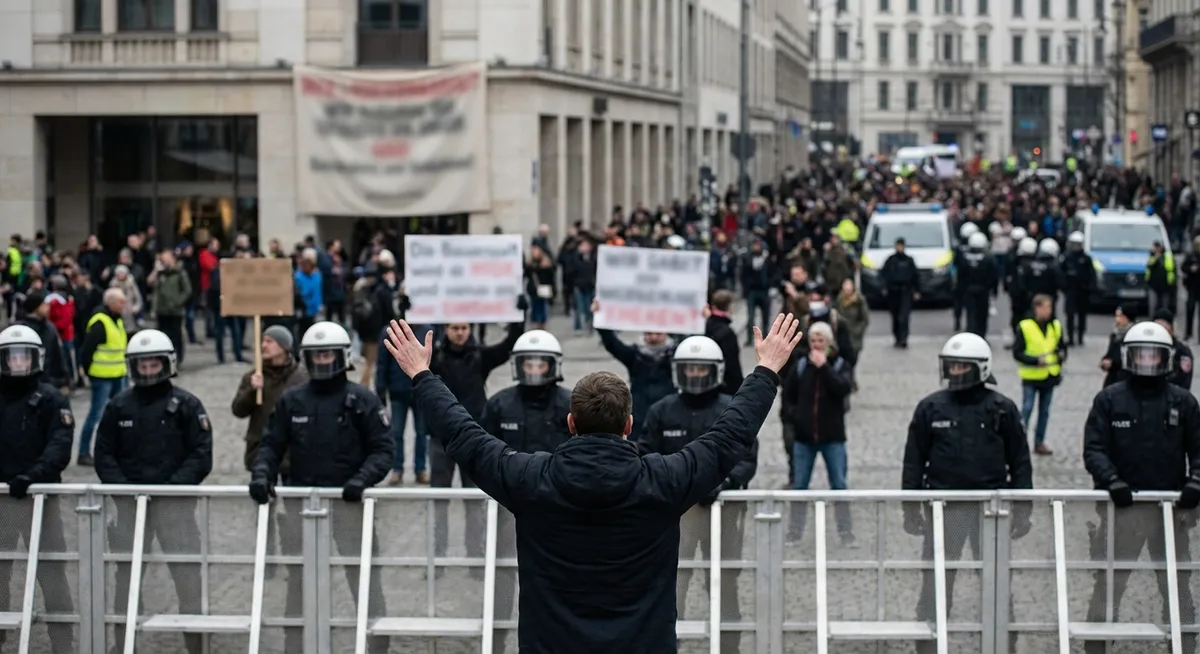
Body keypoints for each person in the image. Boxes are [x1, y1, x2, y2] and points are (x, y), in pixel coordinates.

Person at [385, 312, 801, 653]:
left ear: (570, 423)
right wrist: (766, 370)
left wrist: (422, 374)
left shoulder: (530, 479)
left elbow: (464, 436)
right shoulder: (664, 480)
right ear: (629, 425)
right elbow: (728, 438)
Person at [249, 321, 393, 654]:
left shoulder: (363, 399)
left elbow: (384, 450)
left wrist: (362, 479)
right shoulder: (292, 400)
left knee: (364, 578)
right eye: (317, 355)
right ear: (306, 357)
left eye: (328, 354)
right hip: (302, 506)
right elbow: (270, 445)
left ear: (342, 357)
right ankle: (295, 645)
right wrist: (261, 475)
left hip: (350, 505)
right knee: (299, 580)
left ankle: (377, 645)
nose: (323, 361)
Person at [902, 332, 1032, 654]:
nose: (955, 371)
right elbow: (914, 460)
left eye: (962, 366)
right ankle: (928, 645)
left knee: (996, 582)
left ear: (980, 368)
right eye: (952, 365)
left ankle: (1004, 644)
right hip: (943, 509)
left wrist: (1023, 508)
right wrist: (910, 507)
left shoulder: (1002, 408)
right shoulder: (930, 407)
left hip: (991, 511)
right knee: (935, 583)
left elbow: (1020, 462)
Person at [1082, 320, 1200, 654]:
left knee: (1176, 582)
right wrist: (1111, 480)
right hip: (1122, 509)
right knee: (1109, 583)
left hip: (1170, 511)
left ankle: (1184, 643)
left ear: (1166, 358)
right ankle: (1096, 645)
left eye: (1153, 356)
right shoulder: (1109, 399)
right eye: (1141, 355)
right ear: (1129, 357)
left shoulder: (1184, 402)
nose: (1147, 362)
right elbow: (1093, 449)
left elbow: (1199, 449)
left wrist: (1195, 481)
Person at [93, 329, 212, 654]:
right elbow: (103, 454)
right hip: (131, 509)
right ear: (133, 367)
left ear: (166, 364)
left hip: (176, 509)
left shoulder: (187, 404)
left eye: (153, 364)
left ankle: (197, 645)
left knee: (188, 579)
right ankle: (123, 643)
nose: (147, 371)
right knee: (126, 580)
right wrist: (124, 490)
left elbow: (201, 454)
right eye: (142, 365)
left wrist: (172, 490)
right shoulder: (118, 406)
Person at [637, 335, 756, 654]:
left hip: (722, 513)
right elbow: (645, 455)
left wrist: (725, 483)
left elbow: (747, 458)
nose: (694, 375)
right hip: (673, 517)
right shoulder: (661, 410)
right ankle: (666, 643)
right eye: (688, 369)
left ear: (715, 371)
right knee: (671, 580)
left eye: (700, 369)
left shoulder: (730, 409)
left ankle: (729, 645)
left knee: (724, 580)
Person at [480, 329, 572, 653]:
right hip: (509, 509)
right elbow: (482, 453)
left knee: (557, 582)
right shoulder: (499, 404)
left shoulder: (570, 404)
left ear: (553, 366)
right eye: (528, 364)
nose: (534, 370)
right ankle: (497, 639)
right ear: (518, 366)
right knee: (503, 578)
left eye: (540, 364)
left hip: (558, 512)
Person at [0, 324, 74, 654]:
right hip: (1, 498)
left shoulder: (51, 399)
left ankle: (63, 640)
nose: (18, 363)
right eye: (12, 357)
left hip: (40, 498)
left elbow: (60, 445)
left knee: (52, 570)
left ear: (36, 359)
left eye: (23, 357)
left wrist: (32, 477)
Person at [427, 311, 523, 563]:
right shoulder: (435, 358)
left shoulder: (480, 356)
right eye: (455, 328)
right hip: (440, 438)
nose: (460, 333)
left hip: (473, 439)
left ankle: (475, 557)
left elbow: (508, 346)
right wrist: (406, 310)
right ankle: (437, 558)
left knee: (475, 501)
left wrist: (517, 317)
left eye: (464, 328)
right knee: (438, 500)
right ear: (446, 329)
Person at [782, 321, 855, 544]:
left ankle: (845, 532)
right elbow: (787, 395)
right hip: (804, 437)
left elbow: (843, 388)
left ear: (829, 342)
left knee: (839, 485)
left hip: (833, 436)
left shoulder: (839, 364)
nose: (816, 344)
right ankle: (795, 532)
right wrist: (795, 416)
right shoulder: (801, 365)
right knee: (799, 486)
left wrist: (824, 368)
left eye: (821, 340)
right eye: (813, 340)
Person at [593, 298, 677, 440]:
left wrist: (702, 320)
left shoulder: (676, 354)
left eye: (658, 333)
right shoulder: (635, 355)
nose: (654, 337)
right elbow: (612, 344)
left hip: (668, 415)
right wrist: (600, 317)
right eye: (649, 333)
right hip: (639, 417)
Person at [76, 287, 128, 466]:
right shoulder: (100, 322)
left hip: (118, 374)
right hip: (102, 376)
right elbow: (87, 350)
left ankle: (118, 449)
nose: (124, 304)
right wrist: (87, 371)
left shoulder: (117, 320)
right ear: (110, 303)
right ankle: (83, 452)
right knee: (95, 415)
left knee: (120, 414)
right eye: (121, 301)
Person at [376, 322, 433, 485]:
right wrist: (381, 388)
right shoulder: (390, 331)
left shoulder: (427, 329)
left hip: (421, 391)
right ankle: (397, 468)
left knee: (421, 432)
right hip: (397, 390)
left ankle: (420, 468)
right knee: (397, 432)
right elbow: (382, 362)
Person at [1013, 294, 1066, 456]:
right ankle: (1018, 442)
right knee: (1027, 409)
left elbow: (1062, 347)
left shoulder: (1055, 326)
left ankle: (1039, 442)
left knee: (1044, 411)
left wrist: (1061, 356)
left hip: (1049, 375)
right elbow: (1017, 353)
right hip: (1031, 376)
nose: (1048, 310)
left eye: (1050, 307)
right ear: (1036, 308)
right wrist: (1035, 361)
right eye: (1045, 307)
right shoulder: (1025, 326)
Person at [16, 290, 71, 392]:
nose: (48, 307)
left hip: (49, 382)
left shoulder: (50, 328)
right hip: (26, 384)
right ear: (35, 307)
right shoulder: (21, 329)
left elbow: (58, 355)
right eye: (44, 305)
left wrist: (64, 379)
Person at [958, 231, 999, 337]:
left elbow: (961, 275)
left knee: (970, 314)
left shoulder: (964, 257)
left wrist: (960, 290)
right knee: (982, 315)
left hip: (969, 290)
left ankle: (971, 334)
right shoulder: (988, 258)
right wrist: (994, 290)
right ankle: (981, 335)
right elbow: (994, 275)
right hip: (983, 290)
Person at [704, 289, 744, 395]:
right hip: (726, 387)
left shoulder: (706, 326)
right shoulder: (727, 333)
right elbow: (732, 365)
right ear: (729, 306)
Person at [881, 237, 919, 348]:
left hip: (905, 291)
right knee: (895, 316)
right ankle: (897, 337)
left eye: (901, 246)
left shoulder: (908, 260)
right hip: (893, 291)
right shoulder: (891, 260)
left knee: (904, 316)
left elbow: (915, 276)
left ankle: (904, 338)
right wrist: (884, 288)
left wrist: (917, 290)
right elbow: (884, 275)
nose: (899, 248)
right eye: (898, 246)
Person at [1061, 231, 1094, 345]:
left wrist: (1090, 287)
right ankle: (1070, 337)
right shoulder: (1066, 257)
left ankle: (1080, 337)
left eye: (1077, 244)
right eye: (1074, 244)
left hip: (1083, 291)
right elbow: (1061, 273)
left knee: (1082, 315)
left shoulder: (1086, 258)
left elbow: (1091, 274)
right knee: (1070, 314)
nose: (1075, 246)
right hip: (1070, 290)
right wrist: (1064, 287)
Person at [1154, 308, 1194, 391]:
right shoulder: (1149, 348)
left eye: (1163, 327)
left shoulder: (1182, 352)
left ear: (1171, 328)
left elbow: (1185, 382)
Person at [953, 222, 981, 331]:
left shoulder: (959, 248)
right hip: (966, 280)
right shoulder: (967, 249)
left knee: (959, 303)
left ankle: (959, 321)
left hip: (962, 279)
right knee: (965, 304)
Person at [1101, 305, 1139, 388]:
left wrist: (1112, 363)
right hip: (1112, 379)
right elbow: (1110, 353)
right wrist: (1104, 361)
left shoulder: (1134, 335)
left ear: (1127, 318)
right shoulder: (1115, 334)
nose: (1117, 319)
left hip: (1125, 379)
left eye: (1120, 316)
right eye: (1116, 316)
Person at [1146, 240, 1176, 316]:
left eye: (1158, 247)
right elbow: (1149, 265)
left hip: (1166, 285)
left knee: (1165, 305)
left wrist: (1172, 282)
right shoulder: (1152, 256)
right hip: (1154, 285)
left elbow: (1172, 269)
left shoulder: (1167, 256)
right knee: (1153, 305)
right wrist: (1156, 257)